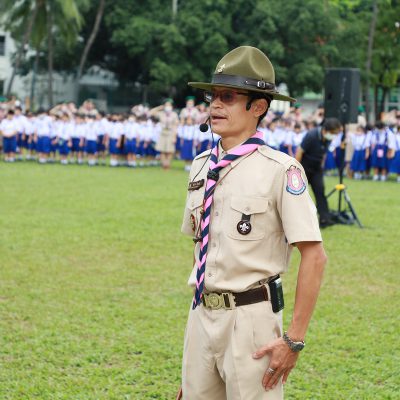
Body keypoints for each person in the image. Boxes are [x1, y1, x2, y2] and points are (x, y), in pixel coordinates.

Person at [179, 46, 326, 400]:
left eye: (228, 97)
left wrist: (293, 339)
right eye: (213, 96)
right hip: (201, 313)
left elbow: (314, 256)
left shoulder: (281, 170)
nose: (215, 105)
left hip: (251, 320)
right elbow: (201, 244)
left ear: (258, 107)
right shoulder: (201, 165)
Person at [295, 117, 342, 228]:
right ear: (325, 130)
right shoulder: (311, 136)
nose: (334, 136)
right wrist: (296, 171)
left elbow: (323, 153)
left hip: (317, 169)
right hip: (304, 168)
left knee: (320, 192)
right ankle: (296, 221)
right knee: (298, 195)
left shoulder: (328, 138)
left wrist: (321, 165)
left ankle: (325, 219)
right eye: (333, 133)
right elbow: (299, 152)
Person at [151, 99, 179, 169]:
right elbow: (151, 112)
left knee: (170, 151)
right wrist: (159, 108)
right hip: (162, 133)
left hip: (170, 133)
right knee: (162, 150)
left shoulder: (174, 114)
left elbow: (175, 126)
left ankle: (168, 164)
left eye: (169, 105)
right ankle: (164, 165)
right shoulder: (161, 113)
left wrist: (174, 137)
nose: (168, 107)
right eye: (166, 105)